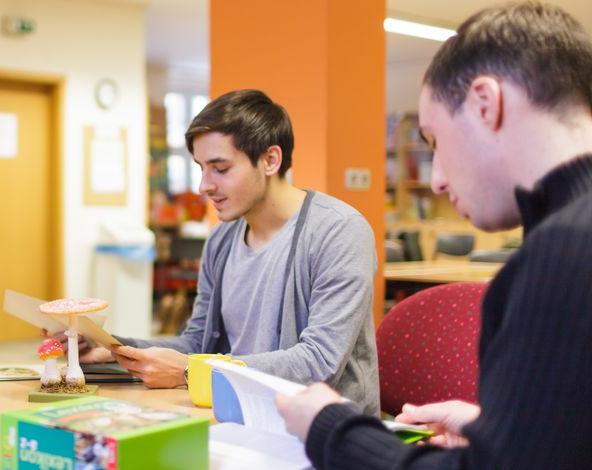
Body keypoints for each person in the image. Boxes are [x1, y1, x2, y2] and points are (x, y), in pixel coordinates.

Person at [275, 3, 592, 469]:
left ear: (486, 103)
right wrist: (505, 426)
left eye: (435, 141)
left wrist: (331, 426)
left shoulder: (564, 252)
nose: (439, 179)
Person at [73, 90, 380, 413]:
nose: (204, 185)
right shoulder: (221, 240)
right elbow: (197, 344)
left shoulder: (339, 231)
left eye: (220, 169)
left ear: (270, 160)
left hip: (323, 431)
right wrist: (113, 348)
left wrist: (192, 372)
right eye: (201, 168)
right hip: (239, 413)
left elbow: (320, 360)